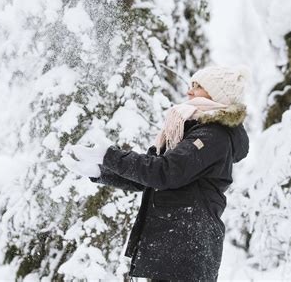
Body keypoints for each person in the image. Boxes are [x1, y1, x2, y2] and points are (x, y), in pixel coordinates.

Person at [62, 66, 250, 281]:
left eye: (198, 87)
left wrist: (110, 156)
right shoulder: (192, 129)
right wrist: (101, 171)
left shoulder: (213, 135)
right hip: (177, 248)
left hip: (186, 249)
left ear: (217, 95)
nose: (189, 92)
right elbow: (152, 177)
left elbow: (163, 172)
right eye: (191, 85)